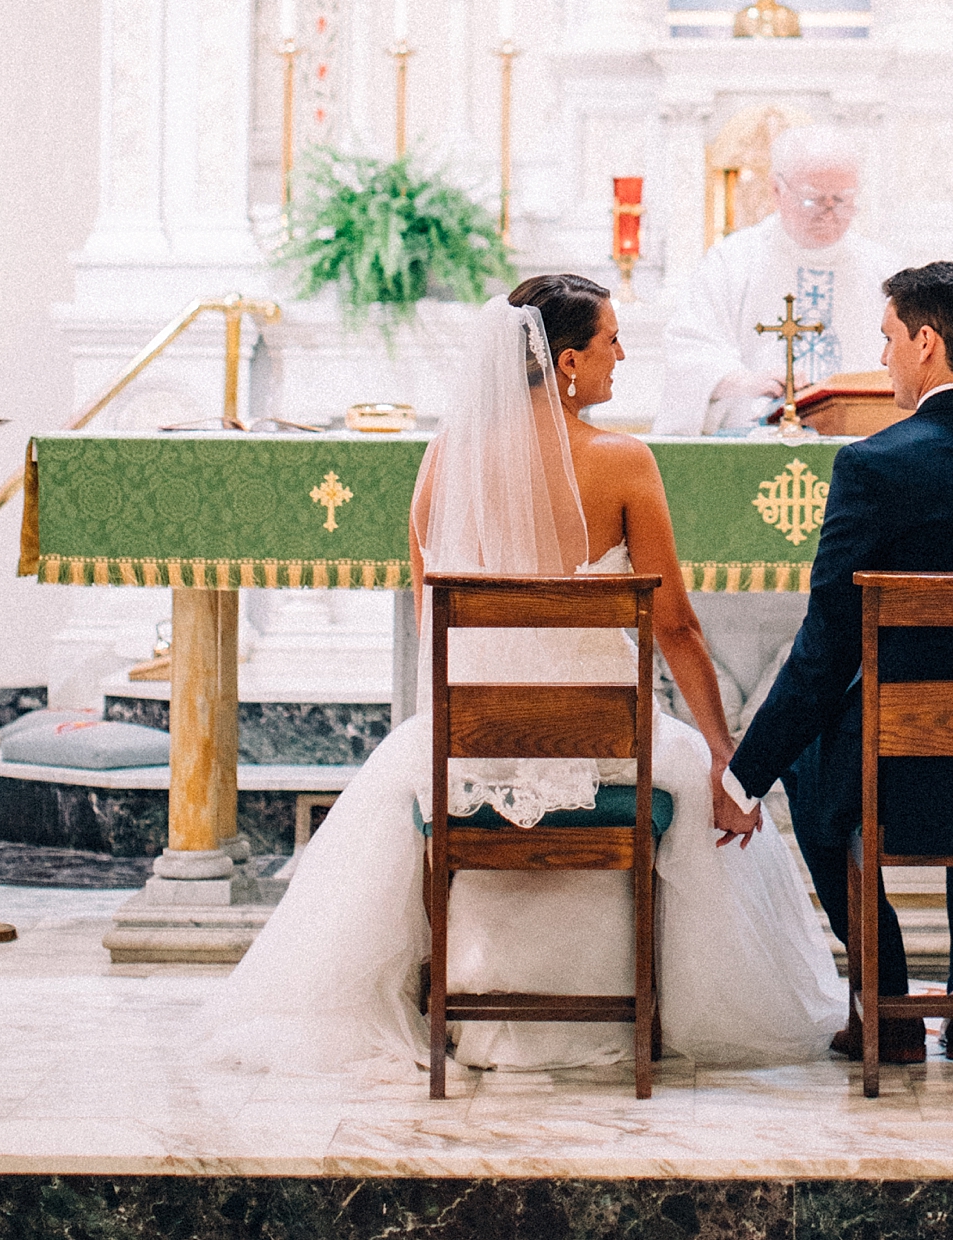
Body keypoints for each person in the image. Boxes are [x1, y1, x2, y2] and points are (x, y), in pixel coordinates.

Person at [197, 276, 844, 1078]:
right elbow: (676, 626)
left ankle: (453, 998)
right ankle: (673, 1008)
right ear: (567, 362)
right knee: (710, 798)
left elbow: (439, 622)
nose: (623, 355)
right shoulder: (623, 462)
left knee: (401, 776)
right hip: (607, 749)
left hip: (473, 750)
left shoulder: (443, 464)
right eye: (612, 341)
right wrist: (724, 756)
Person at [726, 261, 953, 1066]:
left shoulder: (873, 466)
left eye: (890, 339)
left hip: (897, 776)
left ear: (927, 343)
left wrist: (744, 776)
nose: (886, 357)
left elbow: (825, 648)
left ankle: (886, 1002)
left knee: (806, 765)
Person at [654, 126, 899, 436]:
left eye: (842, 200)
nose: (829, 213)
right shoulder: (732, 262)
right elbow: (691, 347)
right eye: (813, 200)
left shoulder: (883, 270)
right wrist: (740, 381)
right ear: (776, 190)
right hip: (754, 446)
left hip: (859, 446)